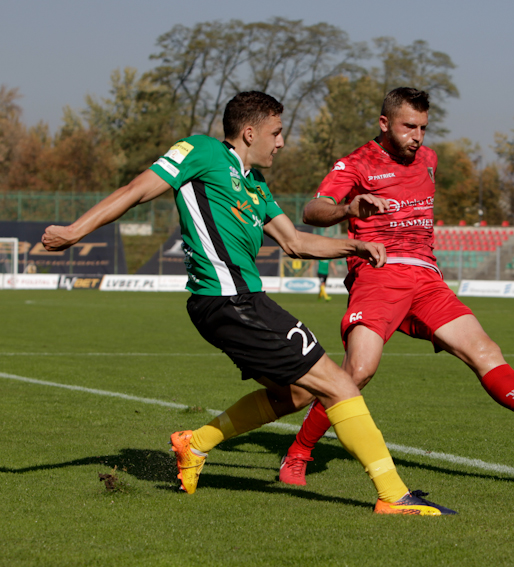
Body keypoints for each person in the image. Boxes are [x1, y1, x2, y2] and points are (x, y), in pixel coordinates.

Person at [41, 91, 454, 516]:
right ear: (250, 133)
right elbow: (135, 190)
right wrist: (75, 231)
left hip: (237, 303)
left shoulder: (256, 185)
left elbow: (295, 242)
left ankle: (195, 444)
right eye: (276, 133)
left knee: (297, 393)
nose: (281, 143)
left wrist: (356, 244)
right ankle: (393, 495)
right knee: (339, 385)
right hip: (229, 300)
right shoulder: (201, 151)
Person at [277, 87, 514, 486]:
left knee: (485, 351)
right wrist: (349, 208)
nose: (417, 137)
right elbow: (312, 211)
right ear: (384, 123)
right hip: (379, 274)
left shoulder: (429, 159)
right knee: (359, 370)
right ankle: (298, 453)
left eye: (423, 128)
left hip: (427, 278)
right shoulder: (356, 163)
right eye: (408, 127)